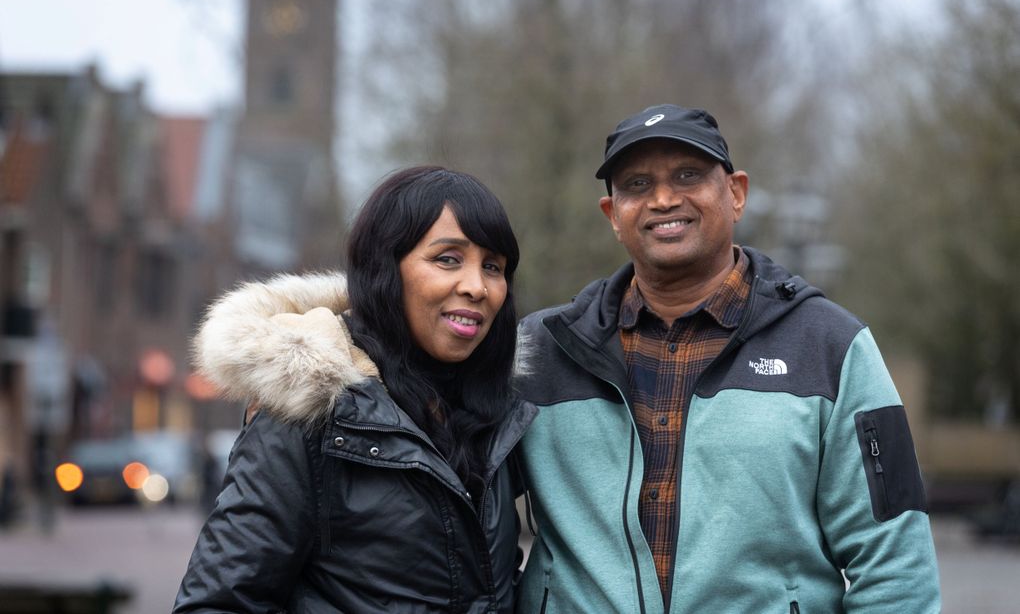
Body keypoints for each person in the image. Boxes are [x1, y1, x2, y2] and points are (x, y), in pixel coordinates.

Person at [513, 104, 940, 613]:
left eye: (688, 175)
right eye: (637, 184)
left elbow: (895, 566)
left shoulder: (832, 346)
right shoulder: (539, 350)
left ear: (736, 193)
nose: (664, 199)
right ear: (613, 215)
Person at [174, 166, 535, 613]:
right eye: (448, 259)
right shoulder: (308, 411)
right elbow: (218, 602)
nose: (476, 286)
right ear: (385, 267)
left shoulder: (497, 416)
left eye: (493, 267)